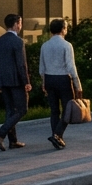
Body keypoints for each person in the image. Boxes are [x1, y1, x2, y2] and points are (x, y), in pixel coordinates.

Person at [0, 13, 30, 151]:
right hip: (16, 81)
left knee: (10, 110)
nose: (21, 25)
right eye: (20, 23)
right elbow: (21, 64)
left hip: (3, 81)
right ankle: (0, 134)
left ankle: (13, 141)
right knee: (22, 109)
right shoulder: (18, 42)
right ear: (16, 24)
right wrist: (26, 81)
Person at [39, 19, 82, 150]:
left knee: (54, 110)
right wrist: (77, 84)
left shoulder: (44, 46)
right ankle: (58, 135)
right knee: (67, 109)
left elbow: (42, 68)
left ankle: (56, 136)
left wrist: (43, 82)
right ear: (63, 29)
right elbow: (71, 67)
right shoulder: (66, 45)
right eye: (66, 28)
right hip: (63, 79)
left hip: (49, 79)